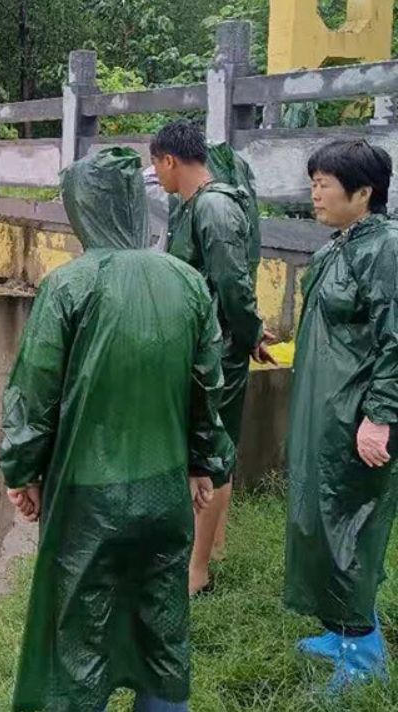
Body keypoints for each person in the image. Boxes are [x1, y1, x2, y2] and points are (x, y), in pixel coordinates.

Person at [0, 147, 235, 712]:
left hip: (89, 498)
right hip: (164, 492)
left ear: (81, 210)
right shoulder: (187, 282)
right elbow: (208, 388)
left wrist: (22, 472)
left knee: (77, 637)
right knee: (162, 626)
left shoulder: (71, 287)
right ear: (135, 205)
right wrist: (205, 463)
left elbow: (34, 395)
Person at [286, 139, 398, 692]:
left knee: (355, 526)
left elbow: (394, 339)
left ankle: (363, 655)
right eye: (313, 183)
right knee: (323, 518)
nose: (315, 193)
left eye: (324, 183)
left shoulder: (385, 249)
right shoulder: (341, 244)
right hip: (324, 412)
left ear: (363, 192)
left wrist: (380, 416)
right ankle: (342, 626)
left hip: (357, 416)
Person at [150, 121, 275, 594]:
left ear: (169, 161)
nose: (156, 175)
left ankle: (197, 571)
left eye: (156, 165)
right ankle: (211, 545)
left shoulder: (215, 208)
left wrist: (249, 335)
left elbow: (232, 286)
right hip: (206, 349)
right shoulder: (194, 206)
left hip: (219, 353)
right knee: (209, 450)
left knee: (212, 453)